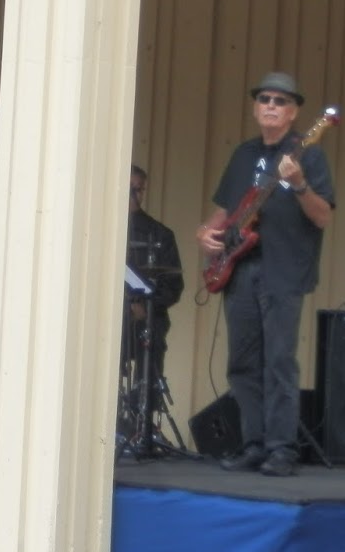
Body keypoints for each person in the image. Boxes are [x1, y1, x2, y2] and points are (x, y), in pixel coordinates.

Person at [197, 71, 334, 477]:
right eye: (265, 99)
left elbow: (323, 217)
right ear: (256, 108)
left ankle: (281, 449)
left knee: (278, 362)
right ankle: (254, 444)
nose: (271, 106)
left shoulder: (309, 155)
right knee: (241, 363)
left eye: (280, 101)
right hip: (240, 268)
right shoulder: (243, 154)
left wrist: (299, 184)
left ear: (293, 112)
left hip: (283, 271)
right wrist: (206, 234)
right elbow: (227, 211)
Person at [126, 164, 185, 433]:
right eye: (129, 188)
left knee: (152, 337)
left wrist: (147, 307)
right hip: (112, 317)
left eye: (139, 189)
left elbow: (174, 286)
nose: (134, 195)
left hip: (146, 317)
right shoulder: (104, 227)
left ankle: (142, 424)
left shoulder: (160, 235)